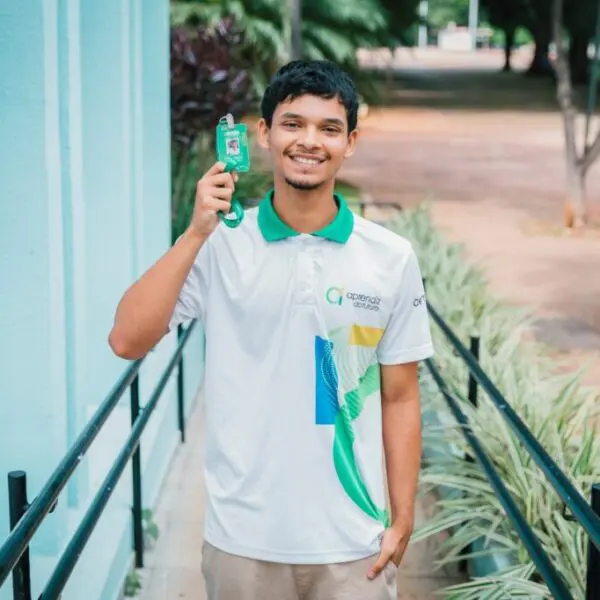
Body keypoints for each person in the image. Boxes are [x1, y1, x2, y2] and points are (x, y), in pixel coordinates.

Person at [109, 60, 434, 600]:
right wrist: (194, 234)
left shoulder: (390, 258)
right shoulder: (221, 245)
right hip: (242, 546)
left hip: (356, 546)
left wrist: (401, 522)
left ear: (350, 142)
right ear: (263, 133)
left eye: (329, 128)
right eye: (293, 123)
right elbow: (127, 339)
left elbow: (401, 398)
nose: (309, 140)